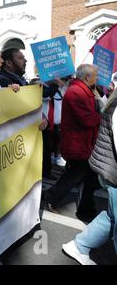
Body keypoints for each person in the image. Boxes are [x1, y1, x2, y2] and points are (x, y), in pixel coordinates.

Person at [62, 89, 117, 265]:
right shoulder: (77, 92)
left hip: (101, 160)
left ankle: (80, 245)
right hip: (105, 164)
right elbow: (87, 119)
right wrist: (94, 118)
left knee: (112, 215)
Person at [44, 64, 102, 222]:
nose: (97, 78)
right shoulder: (77, 92)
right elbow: (87, 119)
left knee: (84, 176)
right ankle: (51, 197)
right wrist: (102, 116)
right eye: (95, 76)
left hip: (83, 142)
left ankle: (85, 208)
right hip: (77, 143)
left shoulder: (83, 90)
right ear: (87, 77)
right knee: (75, 175)